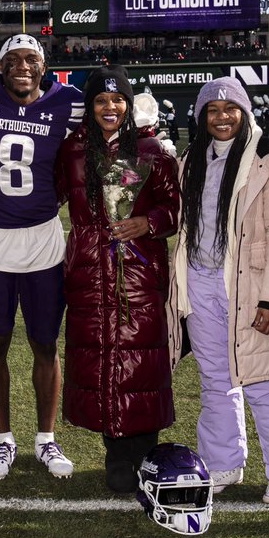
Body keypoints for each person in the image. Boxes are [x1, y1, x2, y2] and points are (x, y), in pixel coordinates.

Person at [0, 34, 84, 481]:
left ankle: (45, 439)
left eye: (32, 59)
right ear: (0, 67)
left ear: (45, 67)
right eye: (13, 60)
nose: (23, 67)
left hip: (44, 239)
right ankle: (3, 439)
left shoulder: (68, 102)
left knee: (45, 343)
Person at [166, 77, 269, 506]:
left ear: (244, 113)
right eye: (213, 110)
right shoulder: (191, 159)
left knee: (261, 382)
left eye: (231, 109)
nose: (222, 117)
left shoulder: (267, 158)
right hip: (200, 281)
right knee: (215, 381)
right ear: (201, 116)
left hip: (249, 286)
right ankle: (224, 461)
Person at [54, 66, 179, 493]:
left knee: (140, 359)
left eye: (118, 100)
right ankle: (115, 451)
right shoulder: (71, 150)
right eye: (101, 101)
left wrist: (149, 221)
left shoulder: (152, 151)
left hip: (139, 270)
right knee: (102, 355)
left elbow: (176, 208)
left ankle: (143, 451)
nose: (110, 108)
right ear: (90, 108)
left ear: (128, 106)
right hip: (89, 270)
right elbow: (46, 194)